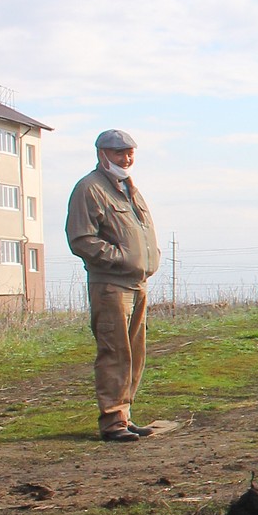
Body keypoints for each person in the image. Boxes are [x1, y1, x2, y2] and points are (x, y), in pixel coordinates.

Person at [66, 130, 164, 443]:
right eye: (119, 153)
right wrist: (121, 258)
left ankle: (124, 415)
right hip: (110, 285)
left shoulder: (129, 189)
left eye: (130, 152)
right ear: (102, 153)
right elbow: (82, 239)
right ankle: (112, 422)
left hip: (138, 284)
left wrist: (150, 258)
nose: (126, 158)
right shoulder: (89, 188)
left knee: (135, 353)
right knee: (114, 352)